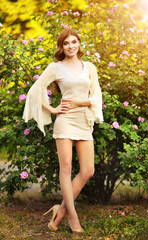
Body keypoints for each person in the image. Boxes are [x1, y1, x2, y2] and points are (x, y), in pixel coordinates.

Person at [23, 28, 103, 233]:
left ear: (79, 44)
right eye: (66, 43)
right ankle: (72, 216)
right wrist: (51, 109)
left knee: (88, 171)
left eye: (74, 42)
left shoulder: (89, 67)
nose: (70, 46)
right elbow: (34, 91)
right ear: (61, 46)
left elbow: (96, 97)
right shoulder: (55, 67)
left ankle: (60, 210)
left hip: (84, 120)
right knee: (66, 168)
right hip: (65, 121)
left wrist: (80, 102)